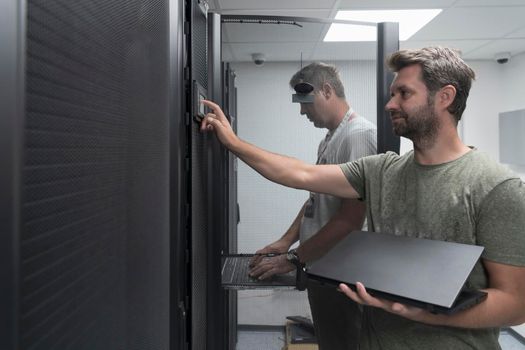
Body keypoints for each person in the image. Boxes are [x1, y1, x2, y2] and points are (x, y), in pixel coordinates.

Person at [200, 46, 525, 349]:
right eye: (392, 93)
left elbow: (516, 303)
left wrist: (422, 311)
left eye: (404, 93)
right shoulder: (382, 171)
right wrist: (232, 142)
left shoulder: (496, 186)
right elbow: (299, 175)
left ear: (445, 97)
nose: (390, 104)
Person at [247, 62, 376, 350]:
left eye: (305, 102)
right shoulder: (330, 139)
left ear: (327, 90)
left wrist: (294, 259)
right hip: (322, 265)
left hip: (343, 272)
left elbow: (352, 218)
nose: (302, 111)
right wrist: (285, 242)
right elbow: (315, 199)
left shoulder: (359, 136)